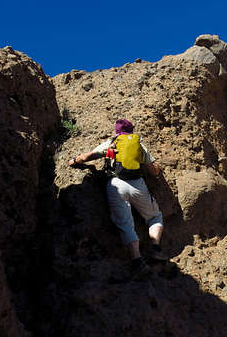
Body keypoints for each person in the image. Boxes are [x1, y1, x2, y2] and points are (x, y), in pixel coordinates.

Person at [68, 119, 167, 278]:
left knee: (126, 224)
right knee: (155, 216)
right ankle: (155, 248)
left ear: (117, 131)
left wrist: (74, 161)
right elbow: (154, 171)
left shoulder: (112, 142)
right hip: (138, 185)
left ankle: (137, 261)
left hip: (116, 184)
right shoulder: (139, 145)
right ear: (131, 131)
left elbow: (88, 156)